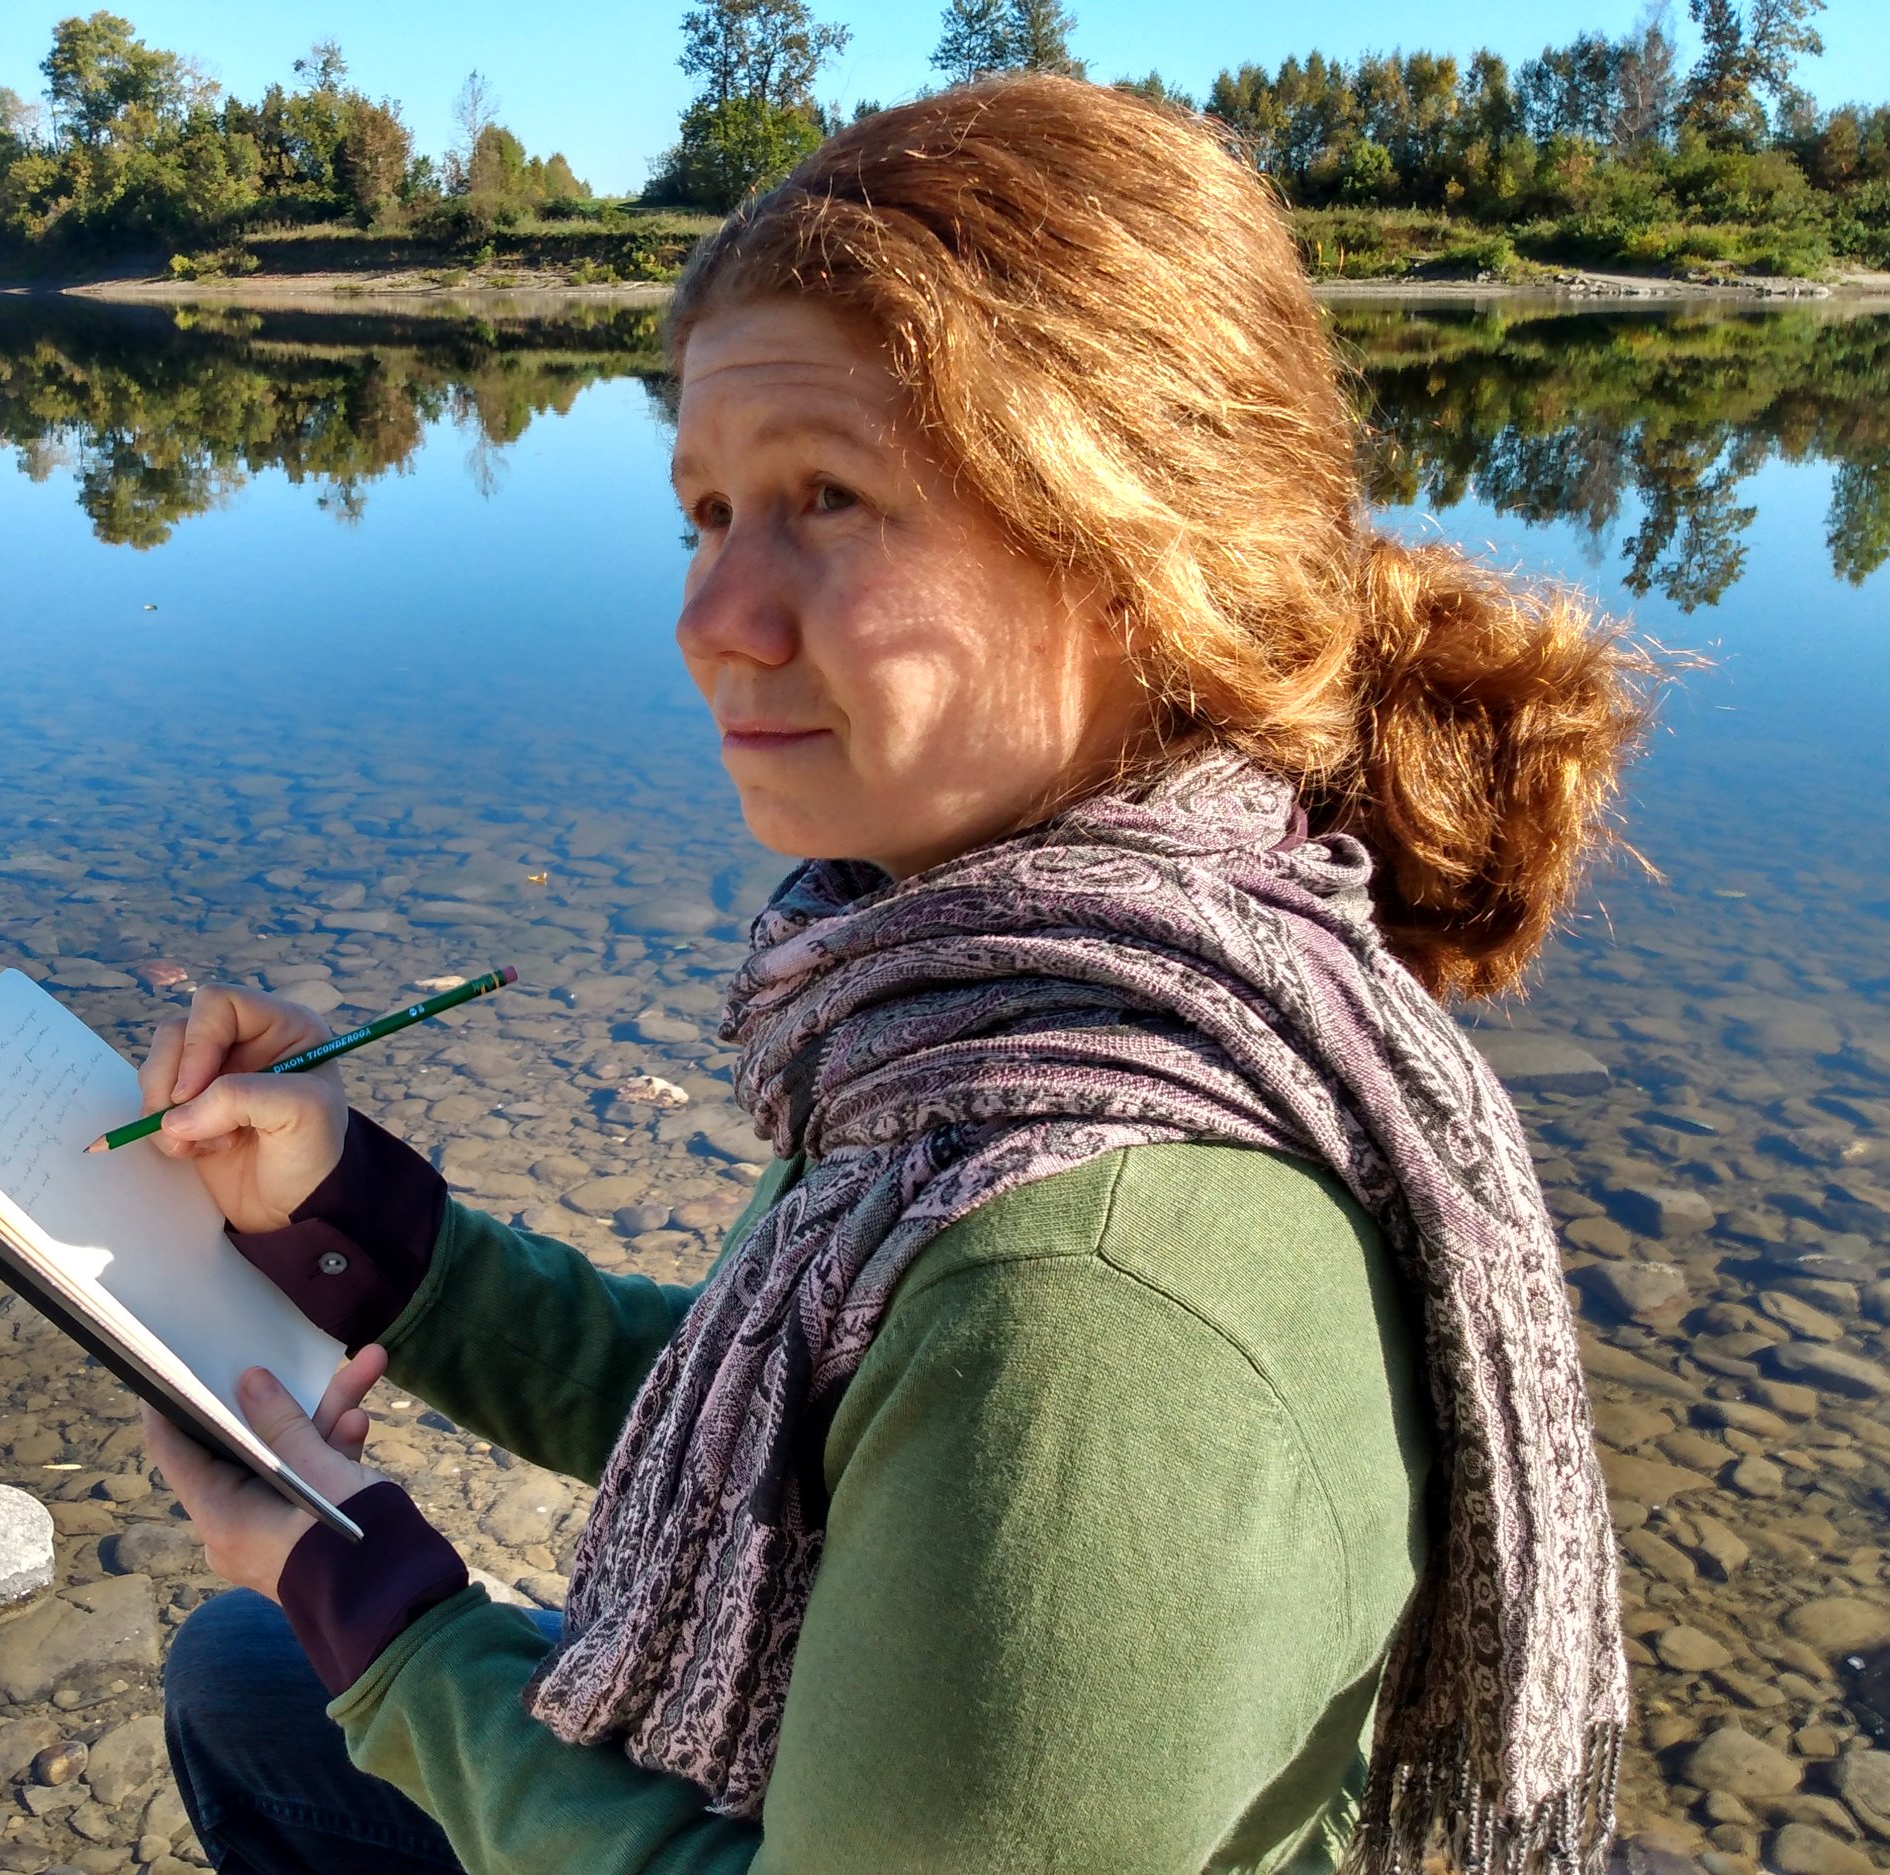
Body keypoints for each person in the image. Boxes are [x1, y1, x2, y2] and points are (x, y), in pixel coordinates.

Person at [133, 75, 1652, 1875]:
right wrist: (357, 1226)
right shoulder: (1028, 997)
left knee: (285, 1660)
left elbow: (974, 1406)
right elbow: (801, 1427)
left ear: (1135, 559)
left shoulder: (1103, 1301)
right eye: (704, 511)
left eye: (828, 500)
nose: (712, 616)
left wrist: (371, 1595)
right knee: (251, 1674)